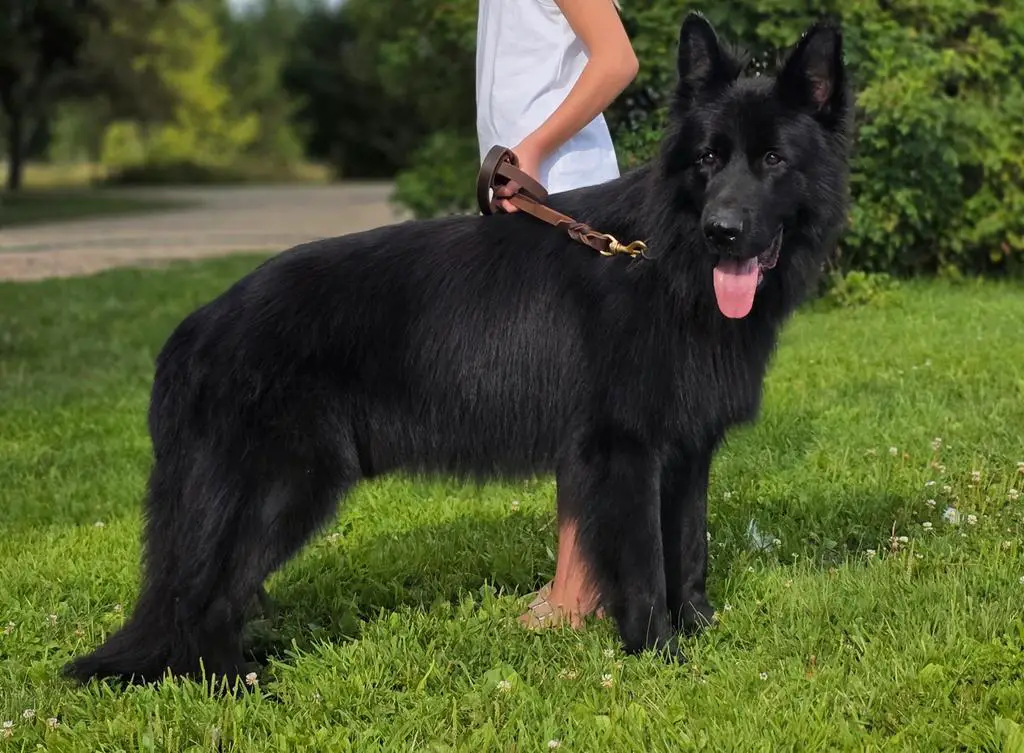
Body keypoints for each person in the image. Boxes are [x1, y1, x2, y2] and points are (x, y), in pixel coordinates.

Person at [474, 0, 639, 629]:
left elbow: (617, 60)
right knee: (567, 397)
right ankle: (577, 579)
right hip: (529, 196)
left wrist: (534, 149)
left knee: (581, 402)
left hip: (564, 196)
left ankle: (578, 590)